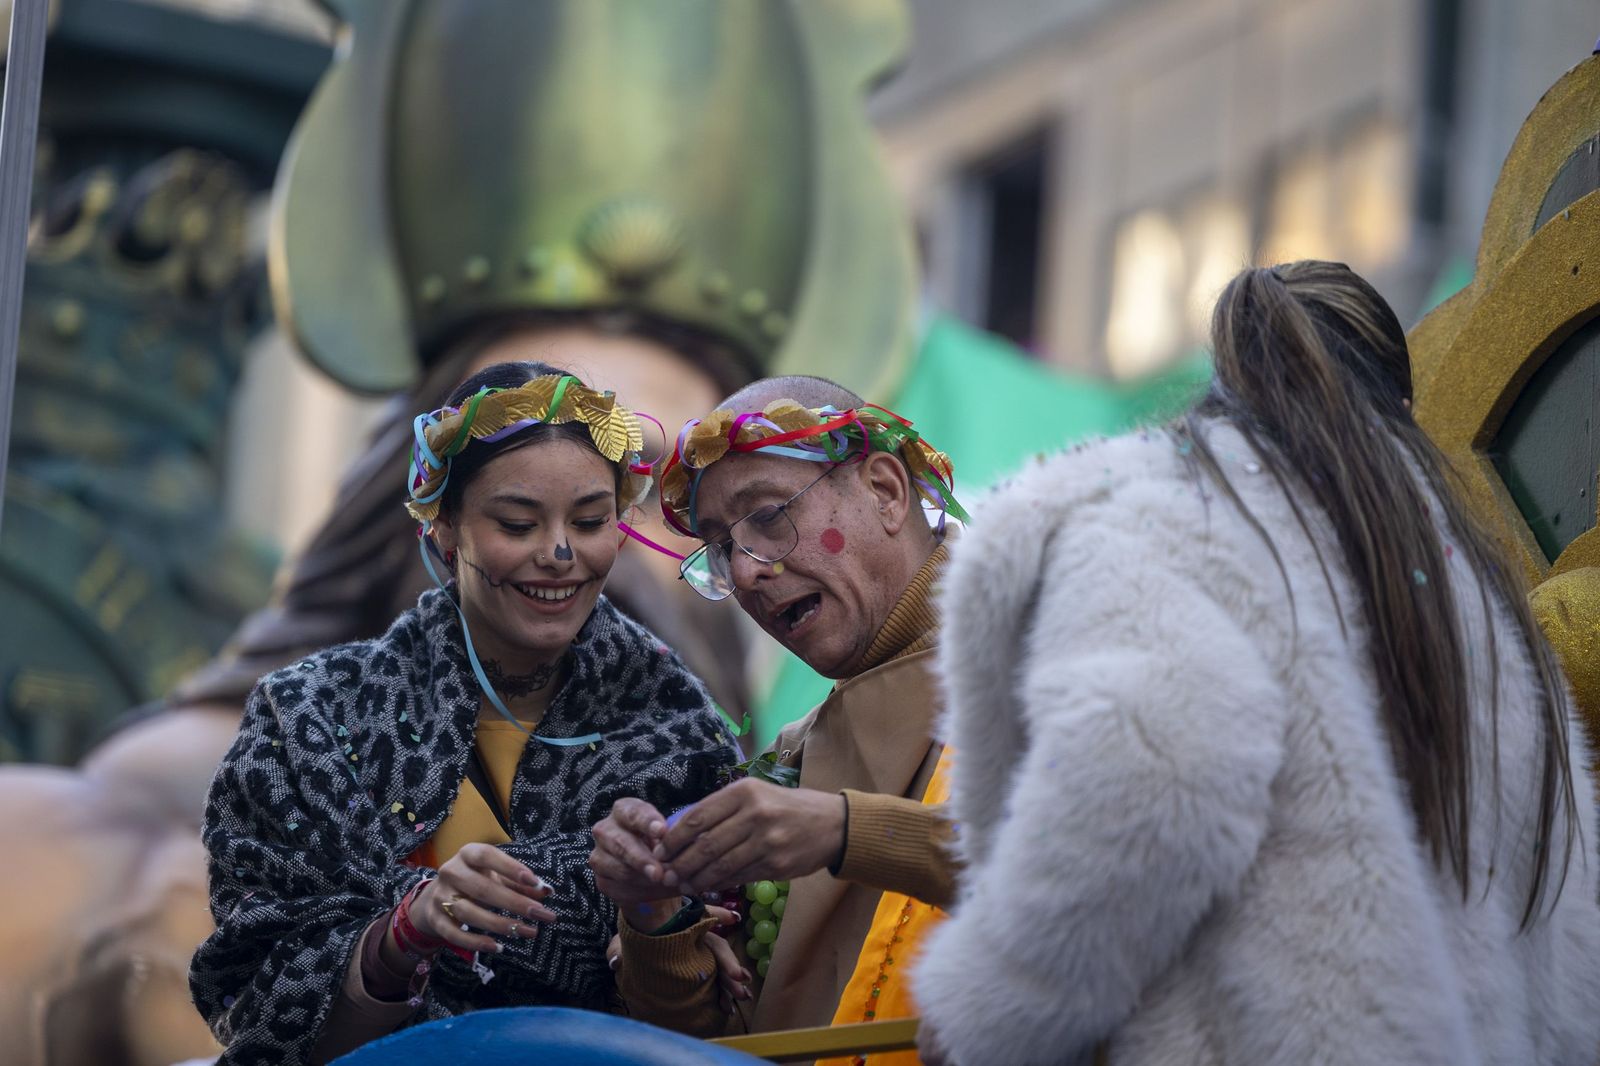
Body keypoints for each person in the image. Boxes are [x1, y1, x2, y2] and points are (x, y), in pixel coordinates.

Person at [913, 261, 1600, 1065]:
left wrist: (996, 1006)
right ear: (1405, 408)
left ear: (1225, 379)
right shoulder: (1480, 589)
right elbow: (1566, 904)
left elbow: (1156, 771)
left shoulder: (1168, 522)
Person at [189, 362, 741, 1065]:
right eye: (518, 523)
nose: (561, 554)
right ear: (445, 529)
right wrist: (403, 932)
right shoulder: (308, 720)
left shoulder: (682, 734)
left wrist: (653, 917)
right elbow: (250, 1001)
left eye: (591, 520)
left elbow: (728, 1019)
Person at [589, 375, 965, 1046]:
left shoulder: (1066, 660)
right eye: (723, 548)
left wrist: (849, 832)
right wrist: (655, 918)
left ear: (885, 490)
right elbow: (731, 1040)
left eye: (767, 516)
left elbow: (1119, 874)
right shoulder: (791, 763)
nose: (748, 572)